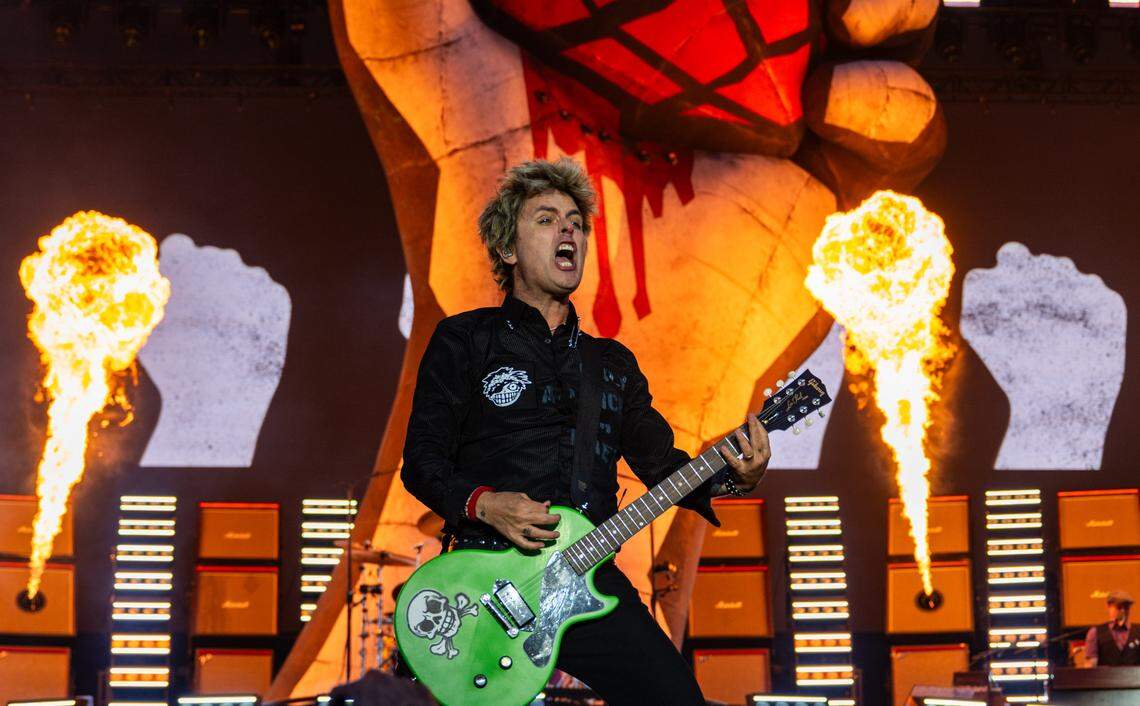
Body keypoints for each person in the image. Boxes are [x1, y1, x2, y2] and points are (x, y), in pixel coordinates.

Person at [401, 158, 770, 705]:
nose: (569, 229)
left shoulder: (612, 364)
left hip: (587, 575)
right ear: (507, 249)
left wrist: (733, 477)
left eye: (575, 221)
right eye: (547, 219)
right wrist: (485, 504)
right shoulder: (464, 340)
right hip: (486, 585)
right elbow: (422, 463)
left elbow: (663, 464)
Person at [1083, 590, 1140, 667]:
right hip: (1106, 678)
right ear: (1109, 606)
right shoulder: (1095, 633)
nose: (1123, 611)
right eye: (1119, 607)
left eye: (1126, 607)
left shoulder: (1138, 631)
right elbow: (1090, 666)